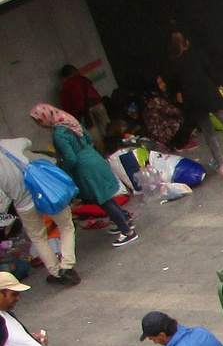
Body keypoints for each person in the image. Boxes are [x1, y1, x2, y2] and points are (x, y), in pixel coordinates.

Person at [29, 105, 136, 246]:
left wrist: (61, 169)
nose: (39, 124)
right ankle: (123, 219)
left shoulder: (59, 134)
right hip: (93, 157)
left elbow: (71, 158)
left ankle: (127, 232)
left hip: (85, 168)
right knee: (105, 196)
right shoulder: (69, 121)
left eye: (39, 121)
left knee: (102, 199)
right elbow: (88, 137)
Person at [0, 139, 78, 286]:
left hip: (23, 204)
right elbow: (27, 141)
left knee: (38, 238)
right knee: (66, 226)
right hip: (46, 192)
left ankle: (55, 272)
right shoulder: (7, 144)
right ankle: (67, 265)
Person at [163, 31, 223, 168]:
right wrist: (218, 84)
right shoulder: (197, 54)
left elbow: (173, 87)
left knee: (208, 132)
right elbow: (211, 72)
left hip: (193, 100)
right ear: (186, 43)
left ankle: (220, 162)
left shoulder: (173, 64)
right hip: (209, 94)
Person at [58, 65, 108, 144]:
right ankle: (116, 144)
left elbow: (67, 105)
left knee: (94, 135)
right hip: (98, 104)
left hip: (85, 110)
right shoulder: (84, 79)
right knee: (107, 127)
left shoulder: (66, 85)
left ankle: (103, 152)